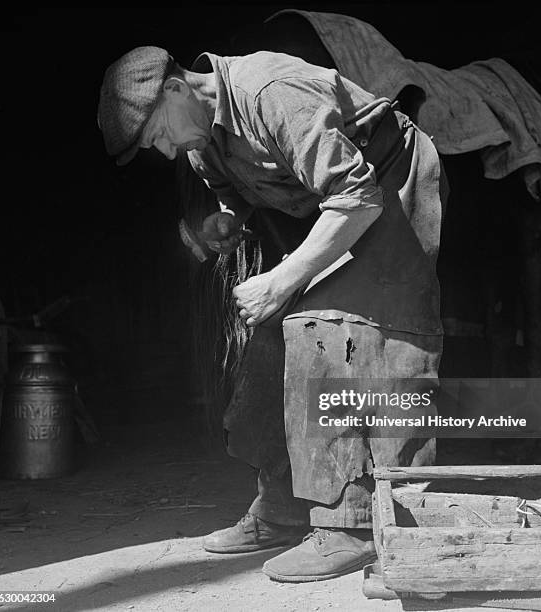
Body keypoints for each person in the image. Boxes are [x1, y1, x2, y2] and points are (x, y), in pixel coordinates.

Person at [98, 46, 446, 582]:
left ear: (176, 88)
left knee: (348, 334)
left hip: (385, 180)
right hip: (328, 204)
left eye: (159, 135)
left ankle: (350, 525)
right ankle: (282, 508)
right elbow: (234, 195)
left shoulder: (271, 92)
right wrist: (226, 220)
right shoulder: (200, 140)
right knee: (269, 340)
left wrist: (285, 279)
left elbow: (358, 197)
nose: (165, 152)